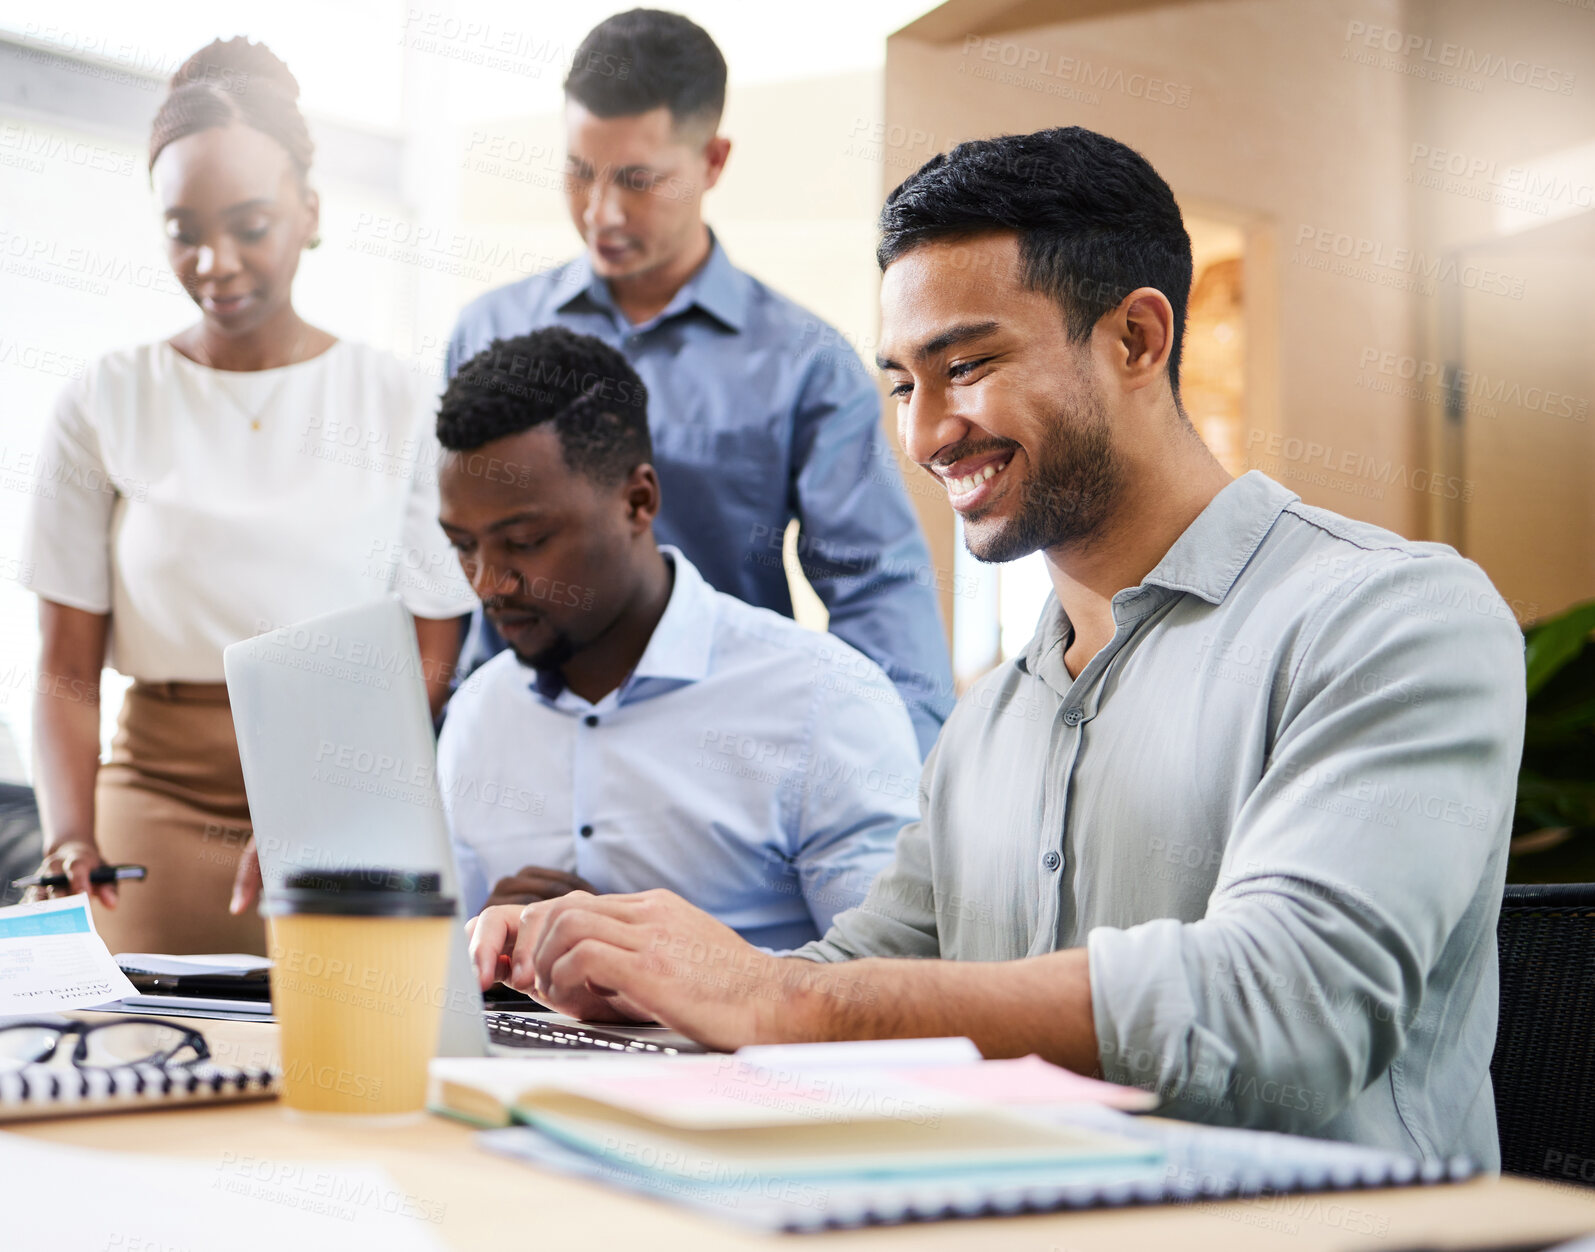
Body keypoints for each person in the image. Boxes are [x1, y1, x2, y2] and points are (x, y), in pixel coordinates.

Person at [468, 128, 1527, 1167]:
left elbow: (1285, 1006)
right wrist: (644, 975)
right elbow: (860, 978)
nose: (926, 433)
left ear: (1134, 341)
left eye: (963, 365)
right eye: (899, 385)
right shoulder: (990, 720)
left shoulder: (1389, 619)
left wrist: (780, 997)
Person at [19, 39, 475, 954]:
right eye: (183, 229)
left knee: (362, 1067)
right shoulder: (104, 399)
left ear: (309, 212)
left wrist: (339, 792)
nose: (214, 261)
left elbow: (434, 647)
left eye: (249, 225)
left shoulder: (401, 400)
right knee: (128, 1064)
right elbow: (65, 668)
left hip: (348, 780)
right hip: (154, 800)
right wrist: (72, 834)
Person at [446, 9, 953, 754]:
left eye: (638, 180)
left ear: (712, 161)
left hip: (724, 761)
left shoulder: (803, 361)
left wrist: (893, 802)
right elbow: (443, 582)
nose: (601, 212)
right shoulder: (488, 333)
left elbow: (878, 593)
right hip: (519, 754)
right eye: (579, 173)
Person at [435, 327, 919, 949]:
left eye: (526, 542)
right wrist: (484, 942)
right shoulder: (478, 715)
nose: (488, 582)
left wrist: (660, 963)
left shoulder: (821, 700)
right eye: (463, 546)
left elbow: (893, 981)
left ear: (638, 501)